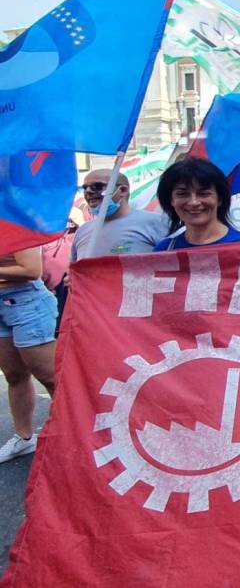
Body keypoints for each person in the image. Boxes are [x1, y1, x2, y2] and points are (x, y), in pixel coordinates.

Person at [0, 248, 57, 463]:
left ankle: (76, 437)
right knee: (14, 375)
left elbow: (32, 269)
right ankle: (24, 439)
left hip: (26, 300)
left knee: (50, 377)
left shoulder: (13, 217)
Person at [153, 158, 240, 251]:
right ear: (171, 200)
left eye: (203, 194)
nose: (193, 202)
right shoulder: (164, 251)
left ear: (220, 198)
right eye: (182, 194)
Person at [71, 169, 169, 261]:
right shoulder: (82, 231)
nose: (88, 191)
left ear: (122, 190)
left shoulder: (158, 222)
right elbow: (74, 271)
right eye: (84, 188)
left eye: (97, 186)